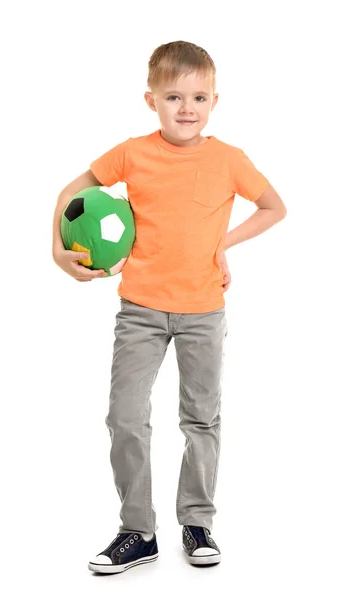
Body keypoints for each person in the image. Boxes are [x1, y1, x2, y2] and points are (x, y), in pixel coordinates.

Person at [52, 40, 287, 575]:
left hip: (204, 310)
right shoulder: (132, 153)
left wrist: (223, 244)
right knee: (124, 415)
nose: (187, 108)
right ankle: (137, 530)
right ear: (150, 99)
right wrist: (57, 250)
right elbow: (71, 192)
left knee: (201, 418)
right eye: (174, 96)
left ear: (214, 101)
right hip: (140, 309)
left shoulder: (229, 159)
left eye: (199, 97)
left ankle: (197, 521)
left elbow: (274, 206)